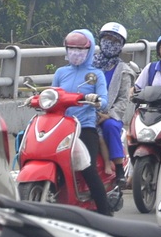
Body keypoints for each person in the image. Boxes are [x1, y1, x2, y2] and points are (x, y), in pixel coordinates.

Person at [54, 29, 111, 215]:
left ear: (89, 50)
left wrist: (97, 100)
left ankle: (105, 212)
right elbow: (53, 94)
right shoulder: (61, 72)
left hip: (84, 127)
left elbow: (104, 99)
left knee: (88, 168)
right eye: (71, 48)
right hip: (61, 126)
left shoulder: (96, 74)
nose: (75, 52)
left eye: (80, 49)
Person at [93, 22, 132, 187]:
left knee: (109, 126)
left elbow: (123, 99)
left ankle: (118, 169)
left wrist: (109, 114)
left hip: (109, 114)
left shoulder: (124, 70)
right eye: (107, 39)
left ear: (121, 45)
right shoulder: (89, 64)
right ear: (100, 40)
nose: (110, 43)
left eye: (115, 41)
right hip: (86, 110)